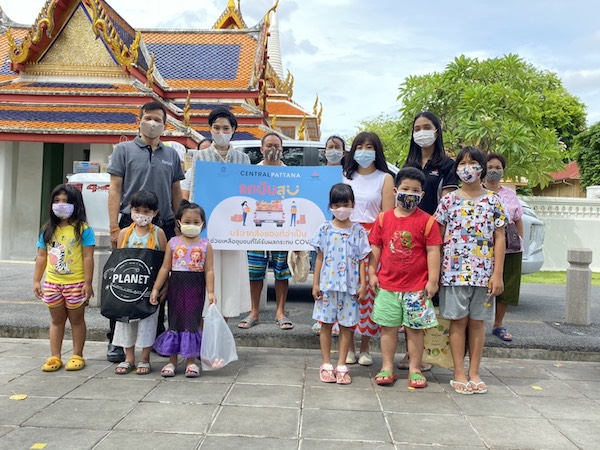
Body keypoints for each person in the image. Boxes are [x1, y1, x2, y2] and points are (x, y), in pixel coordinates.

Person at [107, 101, 185, 362]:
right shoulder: (123, 150)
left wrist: (179, 224)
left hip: (163, 224)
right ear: (139, 120)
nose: (152, 123)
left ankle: (155, 338)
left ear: (165, 125)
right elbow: (115, 189)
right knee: (124, 281)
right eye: (148, 118)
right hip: (130, 222)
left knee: (158, 281)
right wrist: (114, 227)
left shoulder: (171, 155)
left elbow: (176, 191)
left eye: (158, 120)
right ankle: (117, 342)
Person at [434, 146, 506, 394]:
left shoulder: (493, 200)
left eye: (473, 163)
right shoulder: (448, 200)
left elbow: (500, 237)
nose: (467, 168)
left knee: (477, 323)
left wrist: (497, 274)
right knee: (457, 322)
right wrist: (435, 274)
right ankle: (458, 372)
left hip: (484, 275)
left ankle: (474, 372)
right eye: (462, 163)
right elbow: (437, 239)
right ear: (456, 169)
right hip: (453, 274)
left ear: (481, 168)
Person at [369, 168, 442, 388]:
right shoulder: (383, 219)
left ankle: (415, 369)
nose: (409, 194)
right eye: (405, 189)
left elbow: (433, 251)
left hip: (417, 288)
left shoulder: (428, 221)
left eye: (415, 190)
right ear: (395, 191)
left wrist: (433, 281)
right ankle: (387, 367)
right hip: (387, 286)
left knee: (415, 330)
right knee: (388, 329)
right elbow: (376, 247)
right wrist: (372, 272)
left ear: (422, 195)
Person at [399, 111, 458, 371]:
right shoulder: (408, 164)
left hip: (433, 238)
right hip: (407, 239)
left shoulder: (447, 165)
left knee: (427, 294)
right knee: (407, 294)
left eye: (427, 127)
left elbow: (447, 205)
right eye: (417, 128)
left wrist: (434, 235)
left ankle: (426, 354)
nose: (421, 132)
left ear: (436, 131)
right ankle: (410, 353)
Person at [183, 107, 251, 320]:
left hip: (234, 228)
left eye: (226, 128)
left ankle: (224, 329)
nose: (221, 132)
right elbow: (194, 191)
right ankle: (203, 331)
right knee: (206, 276)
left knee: (230, 278)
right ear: (210, 129)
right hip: (209, 226)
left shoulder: (243, 159)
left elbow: (248, 190)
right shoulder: (200, 156)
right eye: (216, 127)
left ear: (233, 130)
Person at [342, 131, 395, 365]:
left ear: (377, 151)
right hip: (347, 238)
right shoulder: (344, 177)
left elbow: (387, 215)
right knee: (348, 291)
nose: (364, 151)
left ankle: (365, 346)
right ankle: (348, 346)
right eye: (360, 146)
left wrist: (379, 245)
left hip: (373, 239)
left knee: (370, 294)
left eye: (369, 147)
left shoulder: (385, 178)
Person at [311, 184, 371, 384]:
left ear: (353, 204)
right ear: (330, 206)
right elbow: (319, 258)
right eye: (337, 205)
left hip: (350, 289)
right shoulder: (324, 229)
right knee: (326, 324)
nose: (341, 209)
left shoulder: (359, 231)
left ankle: (342, 365)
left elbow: (362, 259)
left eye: (345, 204)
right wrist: (315, 283)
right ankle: (326, 364)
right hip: (327, 287)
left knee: (347, 326)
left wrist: (363, 284)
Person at [33, 184, 95, 372]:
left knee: (77, 320)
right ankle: (55, 356)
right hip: (53, 284)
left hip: (76, 283)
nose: (61, 205)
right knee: (56, 320)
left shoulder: (83, 229)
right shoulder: (47, 230)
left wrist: (88, 283)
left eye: (66, 201)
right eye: (57, 201)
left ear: (76, 204)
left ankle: (77, 355)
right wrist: (37, 280)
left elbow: (88, 257)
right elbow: (41, 256)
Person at [151, 201, 216, 377]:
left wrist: (211, 292)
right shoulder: (172, 243)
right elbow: (165, 268)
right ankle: (172, 361)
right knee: (175, 322)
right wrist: (156, 289)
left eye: (196, 222)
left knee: (192, 323)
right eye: (187, 221)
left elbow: (209, 270)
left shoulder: (206, 245)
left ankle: (191, 362)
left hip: (196, 287)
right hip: (176, 287)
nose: (191, 225)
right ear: (179, 222)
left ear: (203, 224)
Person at [239, 133, 294, 330]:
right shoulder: (251, 173)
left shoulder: (291, 175)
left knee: (282, 271)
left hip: (282, 230)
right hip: (257, 231)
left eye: (276, 146)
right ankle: (254, 312)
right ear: (261, 149)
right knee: (255, 272)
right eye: (269, 145)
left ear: (282, 149)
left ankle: (280, 312)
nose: (273, 149)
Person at [112, 191, 167, 375]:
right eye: (137, 210)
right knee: (126, 321)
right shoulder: (124, 233)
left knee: (148, 322)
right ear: (131, 210)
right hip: (127, 286)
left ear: (155, 212)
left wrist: (163, 286)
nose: (141, 215)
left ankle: (144, 357)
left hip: (149, 287)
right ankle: (129, 358)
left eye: (146, 211)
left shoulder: (158, 233)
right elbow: (119, 259)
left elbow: (164, 262)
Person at [484, 153, 523, 342]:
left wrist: (519, 241)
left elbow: (518, 219)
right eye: (490, 167)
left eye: (498, 167)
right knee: (481, 287)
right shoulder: (477, 191)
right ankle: (474, 324)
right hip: (483, 248)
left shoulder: (509, 194)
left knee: (507, 286)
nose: (494, 171)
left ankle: (498, 324)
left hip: (510, 247)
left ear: (503, 170)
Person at [312, 135, 347, 335]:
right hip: (321, 230)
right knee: (321, 275)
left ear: (344, 151)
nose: (333, 150)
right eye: (330, 147)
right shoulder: (316, 175)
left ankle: (339, 321)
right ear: (324, 151)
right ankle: (322, 319)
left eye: (337, 147)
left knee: (340, 278)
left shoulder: (348, 176)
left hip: (342, 231)